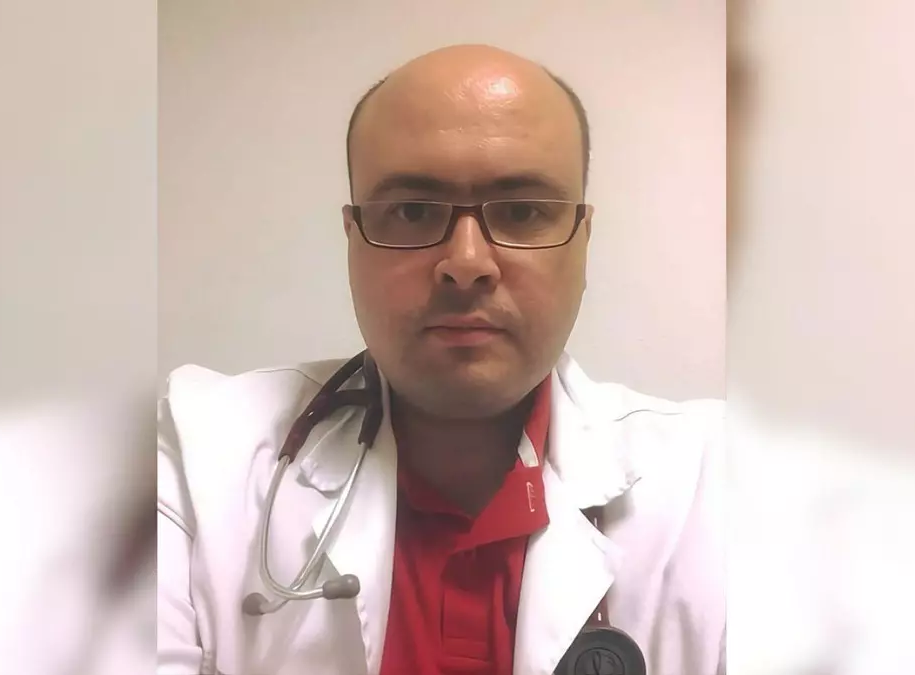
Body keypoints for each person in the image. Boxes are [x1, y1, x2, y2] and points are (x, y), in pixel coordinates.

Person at [157, 44, 725, 675]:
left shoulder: (721, 483)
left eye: (523, 211)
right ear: (353, 240)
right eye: (412, 211)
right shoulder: (198, 452)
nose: (467, 263)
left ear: (582, 240)